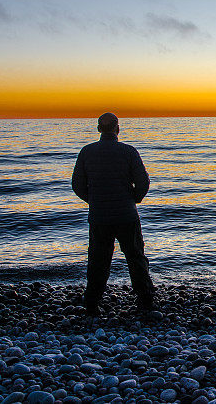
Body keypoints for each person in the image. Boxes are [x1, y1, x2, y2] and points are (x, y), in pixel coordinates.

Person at [72, 112, 155, 316]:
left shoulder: (87, 152)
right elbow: (143, 182)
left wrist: (93, 200)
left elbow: (77, 185)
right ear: (118, 128)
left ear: (99, 129)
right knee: (135, 257)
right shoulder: (128, 152)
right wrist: (134, 199)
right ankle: (145, 300)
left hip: (100, 216)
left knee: (98, 259)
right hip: (126, 215)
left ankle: (92, 302)